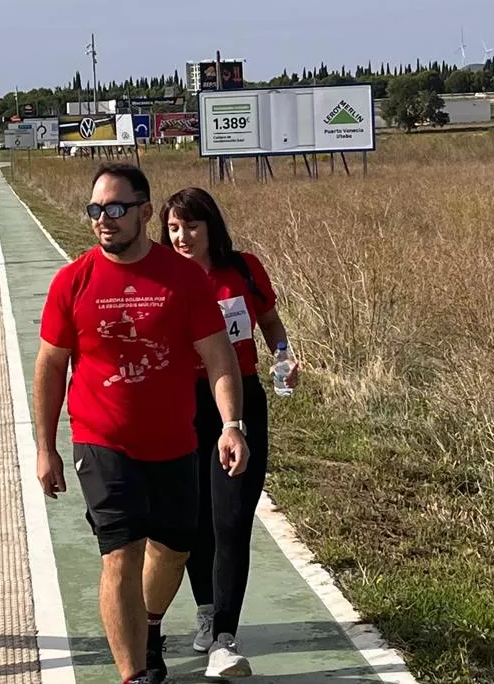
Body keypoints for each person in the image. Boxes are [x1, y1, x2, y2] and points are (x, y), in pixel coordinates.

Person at [34, 164, 250, 684]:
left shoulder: (182, 279)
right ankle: (135, 674)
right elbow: (50, 366)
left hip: (176, 442)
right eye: (95, 211)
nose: (104, 220)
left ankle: (150, 625)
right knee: (120, 553)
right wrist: (46, 447)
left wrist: (231, 424)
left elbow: (219, 358)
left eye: (115, 209)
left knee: (173, 549)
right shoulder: (73, 281)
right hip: (100, 439)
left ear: (145, 212)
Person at [160, 188, 299, 678]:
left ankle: (225, 637)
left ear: (212, 227)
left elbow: (270, 322)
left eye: (192, 226)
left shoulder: (243, 268)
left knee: (233, 519)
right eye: (174, 227)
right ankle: (205, 610)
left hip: (240, 404)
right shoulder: (162, 275)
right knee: (194, 519)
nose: (182, 236)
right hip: (181, 407)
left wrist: (282, 356)